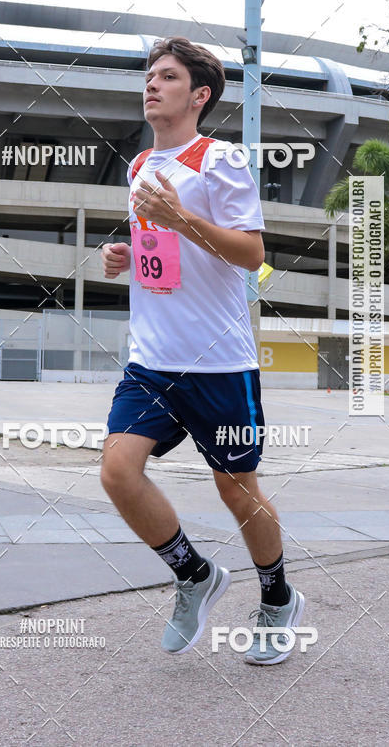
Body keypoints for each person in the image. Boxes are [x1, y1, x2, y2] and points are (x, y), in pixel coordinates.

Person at [100, 36, 304, 665]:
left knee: (236, 488)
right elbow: (165, 261)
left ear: (199, 95)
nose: (152, 85)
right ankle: (194, 575)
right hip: (152, 360)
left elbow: (251, 255)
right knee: (117, 470)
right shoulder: (139, 167)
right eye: (150, 76)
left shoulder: (221, 160)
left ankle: (277, 599)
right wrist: (128, 257)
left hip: (219, 362)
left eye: (167, 77)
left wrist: (182, 217)